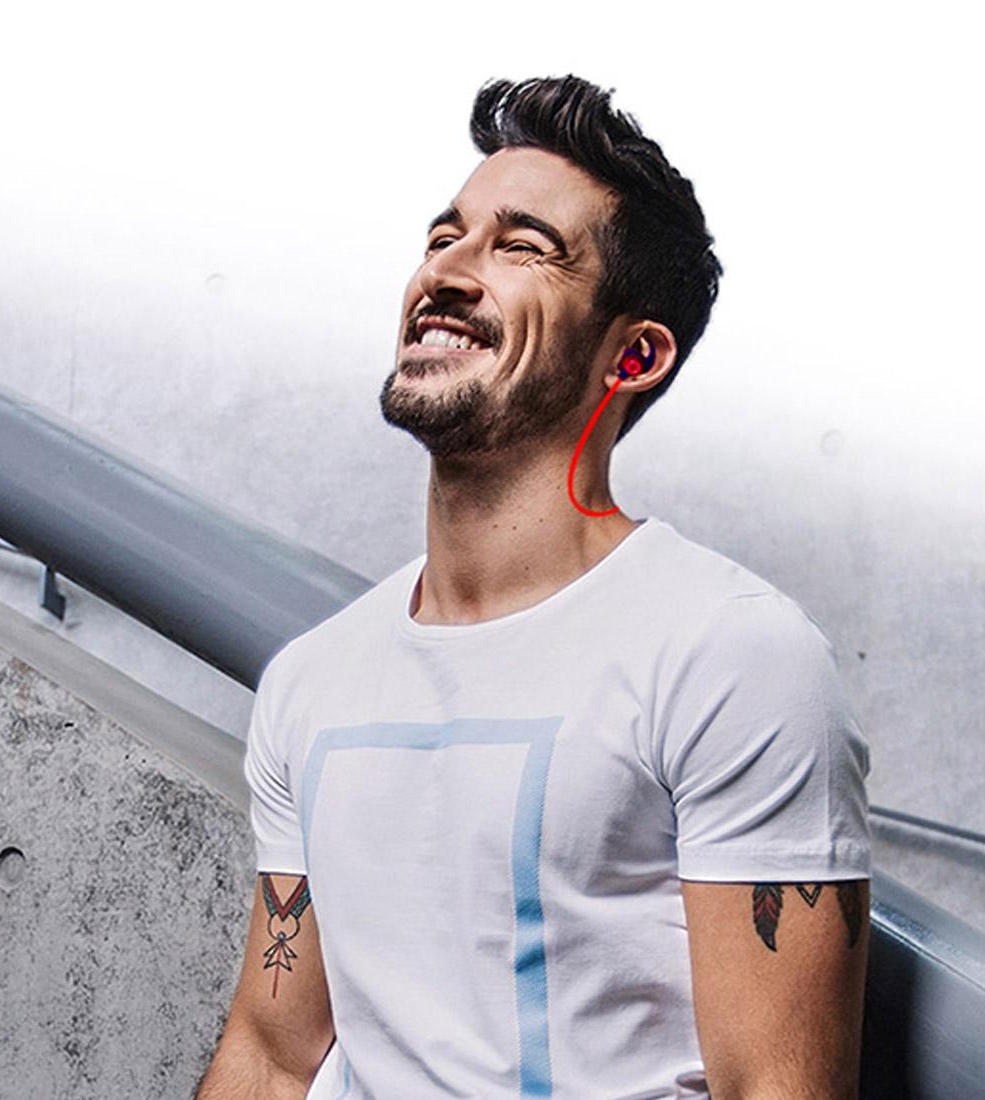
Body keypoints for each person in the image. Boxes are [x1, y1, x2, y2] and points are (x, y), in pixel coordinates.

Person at [196, 74, 871, 1100]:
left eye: (521, 247)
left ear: (632, 355)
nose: (446, 271)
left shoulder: (731, 654)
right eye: (443, 237)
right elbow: (272, 1053)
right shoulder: (311, 679)